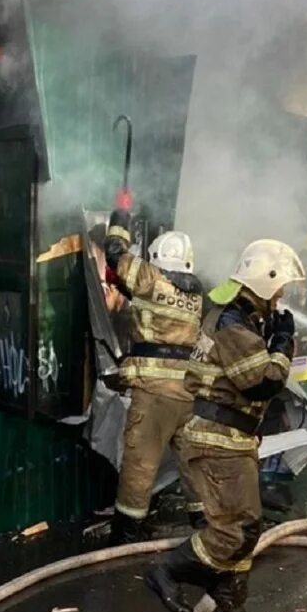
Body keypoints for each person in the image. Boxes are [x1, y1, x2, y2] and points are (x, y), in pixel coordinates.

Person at [144, 239, 304, 612]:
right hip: (219, 440)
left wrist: (274, 336)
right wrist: (284, 344)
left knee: (245, 528)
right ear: (266, 283)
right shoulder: (232, 323)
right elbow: (263, 383)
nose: (283, 295)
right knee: (233, 531)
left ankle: (230, 610)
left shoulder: (241, 320)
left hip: (231, 439)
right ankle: (168, 570)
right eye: (280, 286)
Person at [104, 197, 205, 544]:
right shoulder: (194, 292)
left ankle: (126, 536)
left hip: (154, 395)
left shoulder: (149, 277)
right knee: (193, 462)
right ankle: (207, 527)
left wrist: (120, 216)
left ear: (158, 259)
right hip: (187, 395)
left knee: (140, 464)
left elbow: (115, 253)